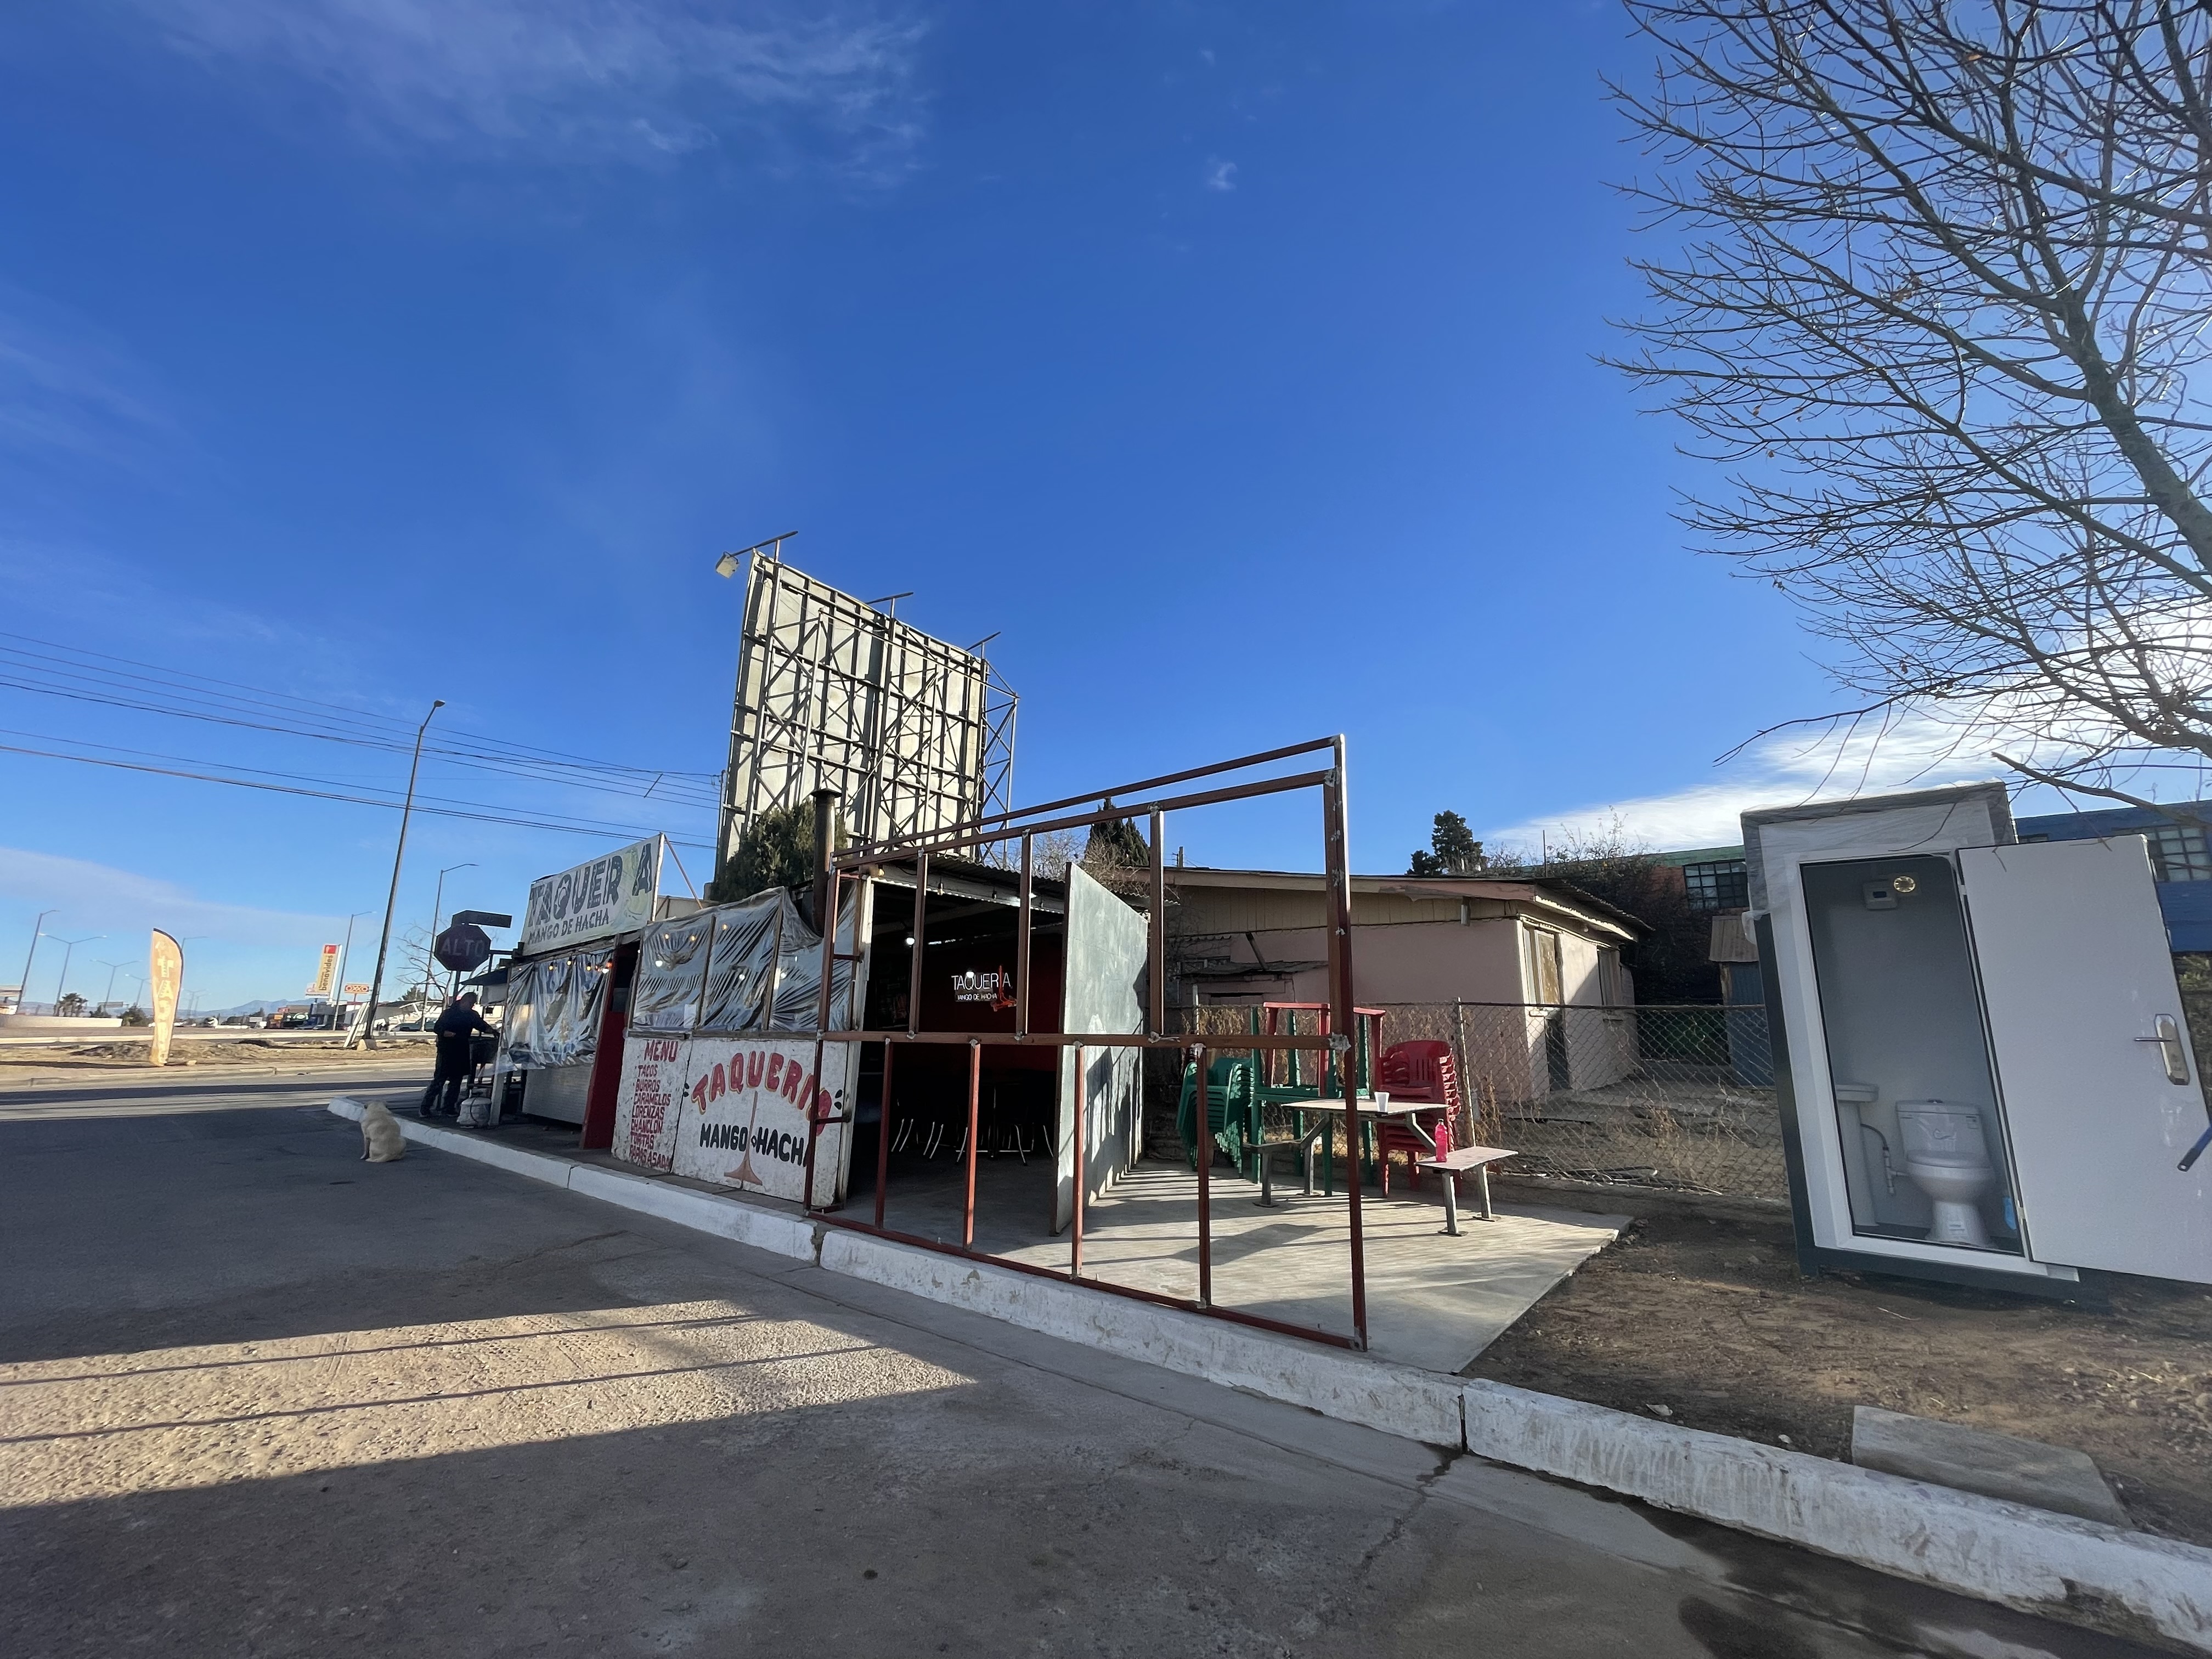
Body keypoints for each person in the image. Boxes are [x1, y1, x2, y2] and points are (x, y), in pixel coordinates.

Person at [422, 992, 495, 1119]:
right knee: (439, 1080)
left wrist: (493, 1031)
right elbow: (437, 1028)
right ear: (463, 1001)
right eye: (470, 1003)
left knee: (456, 1082)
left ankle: (449, 1108)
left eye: (473, 1004)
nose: (471, 1006)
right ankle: (425, 1108)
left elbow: (481, 1025)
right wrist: (446, 1033)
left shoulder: (472, 1015)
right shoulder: (449, 1013)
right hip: (447, 1051)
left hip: (462, 1050)